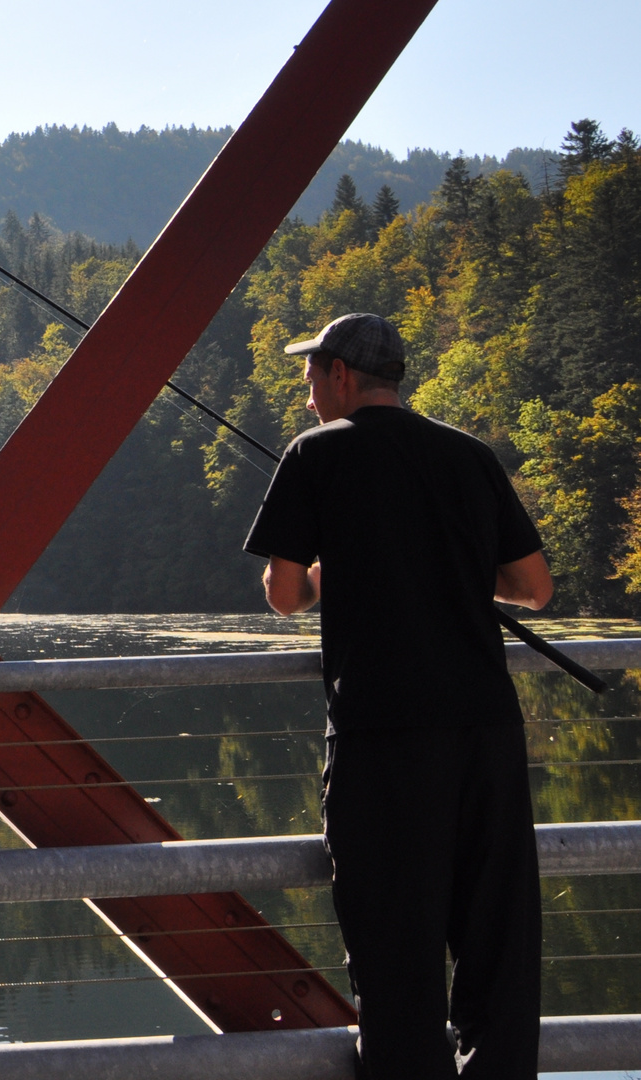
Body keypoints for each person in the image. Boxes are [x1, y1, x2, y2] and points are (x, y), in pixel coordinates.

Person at [243, 312, 553, 1079]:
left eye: (310, 373)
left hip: (382, 733)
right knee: (498, 942)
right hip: (485, 729)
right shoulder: (468, 454)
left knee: (394, 949)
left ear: (342, 374)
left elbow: (284, 594)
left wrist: (342, 569)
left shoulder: (315, 453)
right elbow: (534, 588)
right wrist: (436, 562)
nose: (306, 390)